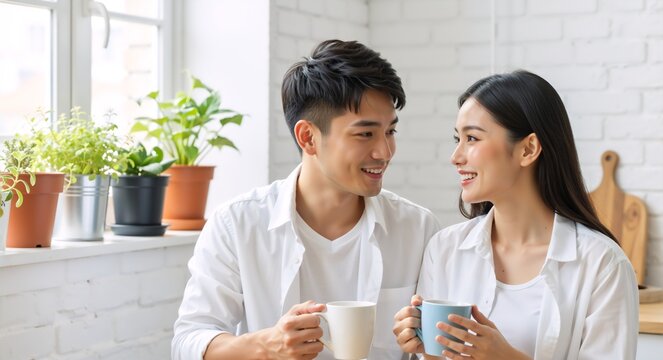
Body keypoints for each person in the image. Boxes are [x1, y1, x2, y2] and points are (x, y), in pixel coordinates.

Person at [172, 39, 441, 360]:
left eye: (390, 132)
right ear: (308, 137)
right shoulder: (237, 223)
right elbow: (189, 342)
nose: (384, 152)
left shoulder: (417, 227)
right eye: (366, 134)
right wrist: (266, 345)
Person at [392, 70, 638, 360]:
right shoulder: (445, 250)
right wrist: (426, 348)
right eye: (457, 139)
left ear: (528, 149)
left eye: (472, 138)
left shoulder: (602, 264)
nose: (456, 156)